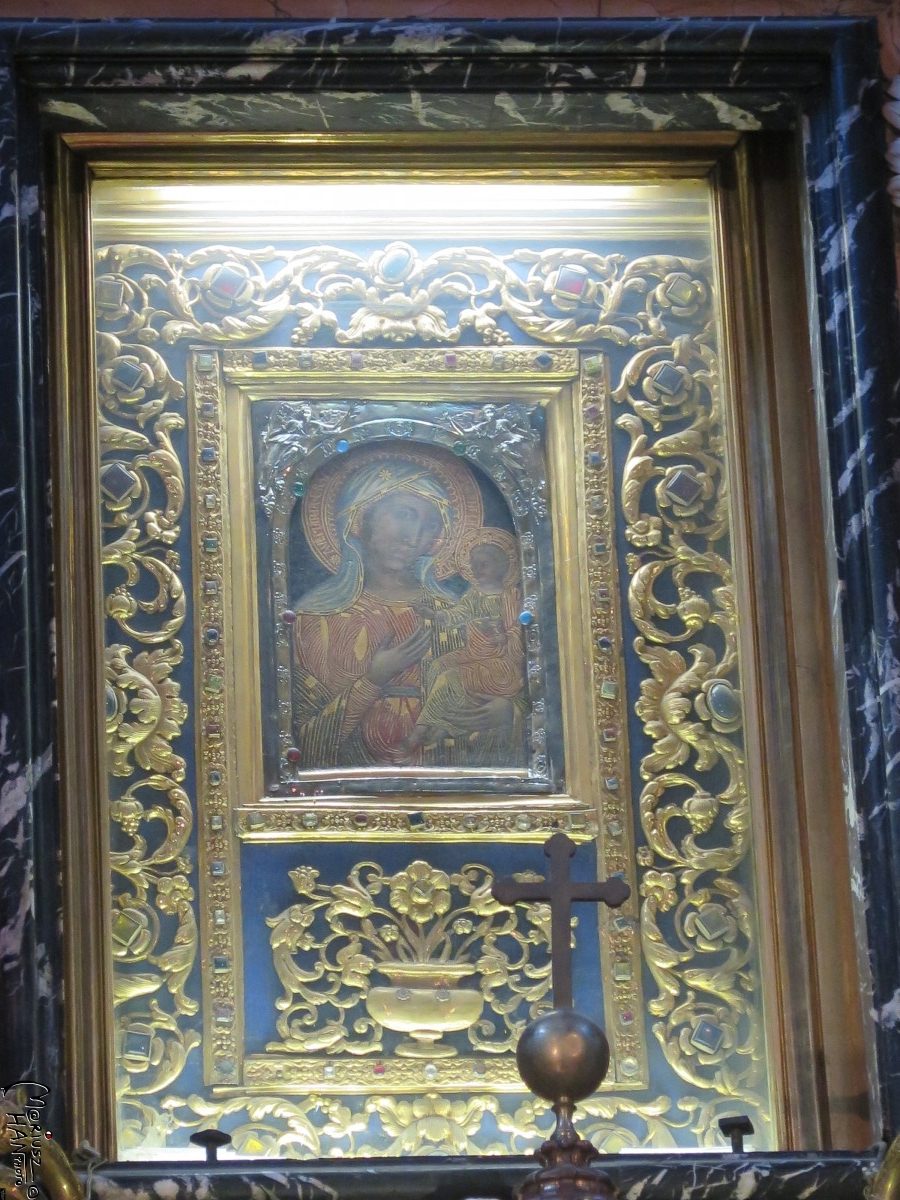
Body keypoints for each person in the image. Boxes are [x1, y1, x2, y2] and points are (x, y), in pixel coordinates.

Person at [291, 449, 519, 769]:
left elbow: (504, 675)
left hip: (452, 773)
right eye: (404, 515)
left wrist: (509, 712)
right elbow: (301, 742)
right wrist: (373, 679)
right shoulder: (315, 621)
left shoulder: (453, 613)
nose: (413, 538)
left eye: (430, 526)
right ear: (360, 518)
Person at [403, 528, 527, 765]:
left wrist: (502, 635)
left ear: (501, 566)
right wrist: (434, 614)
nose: (477, 570)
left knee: (449, 678)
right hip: (474, 653)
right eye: (474, 565)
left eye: (484, 564)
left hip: (501, 663)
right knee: (437, 665)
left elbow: (517, 633)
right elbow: (458, 614)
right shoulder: (474, 595)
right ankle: (442, 721)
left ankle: (420, 732)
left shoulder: (511, 596)